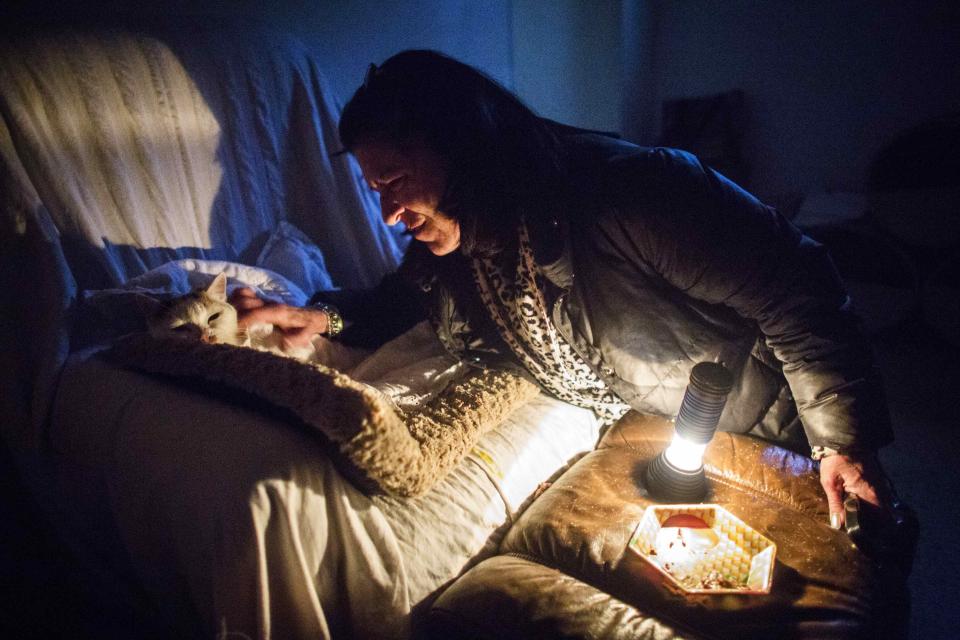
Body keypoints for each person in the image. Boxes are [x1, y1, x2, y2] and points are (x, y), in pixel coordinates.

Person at [232, 49, 895, 528]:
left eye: (396, 182)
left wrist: (841, 443)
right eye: (375, 192)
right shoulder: (452, 251)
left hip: (775, 425)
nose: (388, 215)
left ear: (459, 143)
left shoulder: (628, 193)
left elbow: (798, 284)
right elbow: (401, 300)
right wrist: (321, 316)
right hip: (657, 439)